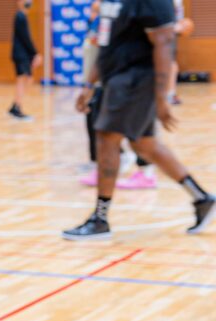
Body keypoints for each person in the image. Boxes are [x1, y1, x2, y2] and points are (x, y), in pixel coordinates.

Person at [63, 0, 215, 240]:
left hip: (136, 79)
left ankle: (100, 219)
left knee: (106, 138)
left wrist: (163, 95)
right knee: (145, 145)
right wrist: (88, 83)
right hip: (115, 78)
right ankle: (201, 198)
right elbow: (105, 44)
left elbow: (164, 43)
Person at [79, 0, 157, 190]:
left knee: (139, 134)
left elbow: (168, 37)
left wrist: (165, 95)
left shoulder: (136, 13)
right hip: (105, 80)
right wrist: (88, 84)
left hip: (130, 80)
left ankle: (145, 171)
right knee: (98, 125)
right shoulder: (102, 19)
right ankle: (113, 164)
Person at [9, 0, 42, 120]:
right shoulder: (20, 16)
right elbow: (25, 38)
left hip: (22, 54)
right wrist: (35, 53)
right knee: (23, 79)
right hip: (20, 54)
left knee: (26, 79)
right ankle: (17, 108)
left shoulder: (22, 16)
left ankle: (15, 105)